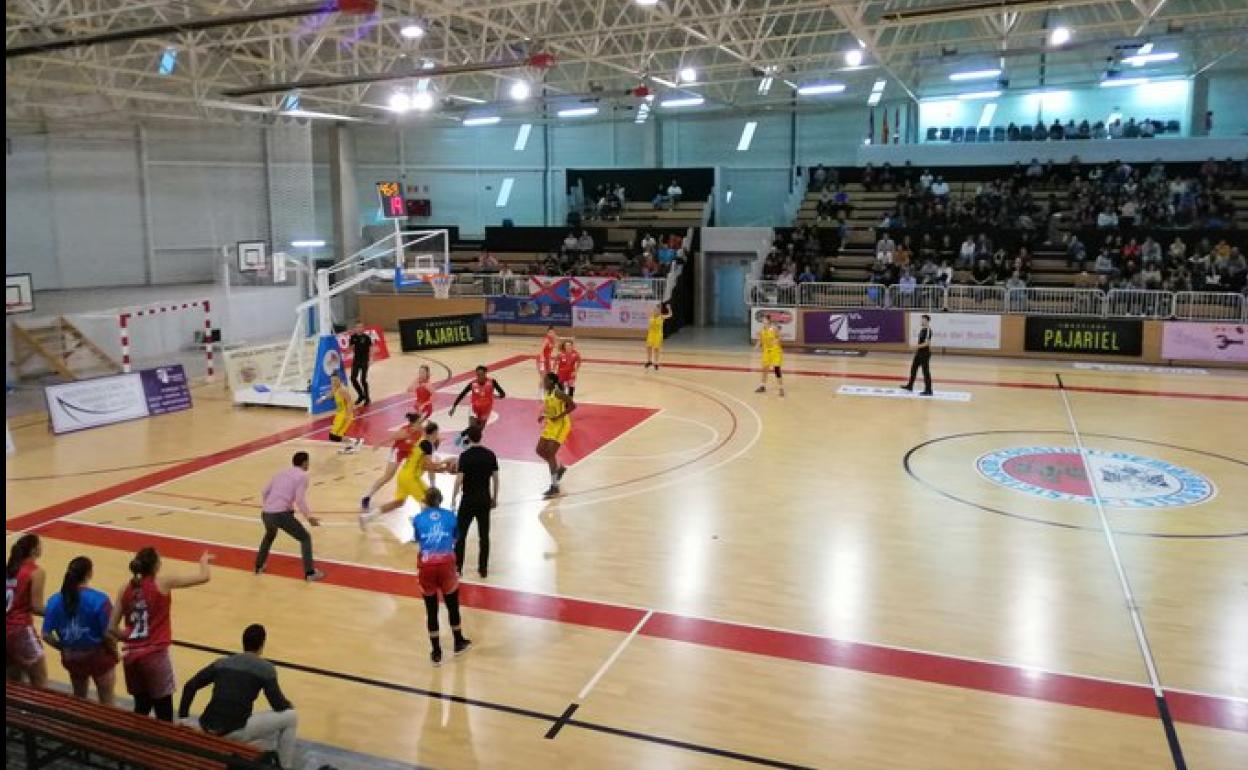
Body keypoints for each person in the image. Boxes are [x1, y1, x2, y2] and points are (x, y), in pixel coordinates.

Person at [110, 548, 213, 721]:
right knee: (164, 714)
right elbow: (204, 577)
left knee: (141, 707)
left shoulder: (124, 589)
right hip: (155, 655)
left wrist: (130, 637)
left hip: (131, 657)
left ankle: (134, 737)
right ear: (156, 565)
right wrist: (204, 562)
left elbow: (111, 628)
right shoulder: (163, 582)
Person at [179, 624, 298, 767]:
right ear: (262, 644)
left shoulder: (222, 663)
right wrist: (288, 704)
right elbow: (277, 704)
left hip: (207, 726)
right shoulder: (266, 668)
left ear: (243, 642)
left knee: (262, 738)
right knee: (291, 717)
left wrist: (183, 718)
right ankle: (285, 767)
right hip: (234, 731)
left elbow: (190, 686)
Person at [42, 556, 117, 705]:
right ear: (89, 574)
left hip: (73, 658)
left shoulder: (54, 600)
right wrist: (114, 652)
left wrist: (63, 647)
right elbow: (108, 634)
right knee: (107, 701)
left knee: (79, 698)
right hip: (98, 657)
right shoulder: (100, 600)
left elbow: (46, 635)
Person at [411, 489, 472, 666]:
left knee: (431, 611)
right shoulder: (450, 516)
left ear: (425, 501)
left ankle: (436, 652)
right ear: (441, 500)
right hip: (446, 564)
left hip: (426, 566)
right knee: (452, 606)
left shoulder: (418, 518)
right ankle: (458, 642)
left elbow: (418, 539)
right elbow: (456, 538)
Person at [361, 422, 452, 522]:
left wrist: (443, 468)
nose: (438, 435)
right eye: (437, 433)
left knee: (399, 502)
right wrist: (444, 465)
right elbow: (427, 466)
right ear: (433, 433)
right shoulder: (427, 445)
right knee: (429, 499)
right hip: (411, 477)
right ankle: (418, 523)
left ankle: (367, 517)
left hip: (403, 475)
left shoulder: (421, 441)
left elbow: (425, 466)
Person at [255, 452, 325, 581]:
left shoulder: (280, 473)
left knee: (269, 535)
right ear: (304, 463)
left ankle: (259, 566)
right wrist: (309, 517)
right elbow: (300, 500)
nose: (309, 464)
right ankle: (310, 573)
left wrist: (269, 506)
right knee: (305, 538)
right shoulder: (302, 476)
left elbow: (264, 492)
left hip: (266, 513)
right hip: (280, 514)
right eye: (308, 461)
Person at [452, 425, 499, 578]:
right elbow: (496, 478)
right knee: (484, 536)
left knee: (461, 535)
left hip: (468, 500)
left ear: (468, 438)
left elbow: (459, 479)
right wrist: (495, 497)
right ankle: (483, 569)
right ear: (481, 436)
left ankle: (458, 567)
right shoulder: (490, 455)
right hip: (484, 499)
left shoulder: (465, 456)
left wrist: (453, 497)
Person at [360, 411, 425, 519]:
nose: (421, 424)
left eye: (421, 422)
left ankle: (413, 498)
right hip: (398, 452)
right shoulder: (405, 431)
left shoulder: (421, 431)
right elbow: (391, 438)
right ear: (413, 423)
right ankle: (367, 496)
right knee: (388, 476)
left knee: (415, 473)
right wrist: (379, 443)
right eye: (419, 422)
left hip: (409, 454)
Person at [6, 534, 48, 687]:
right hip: (20, 630)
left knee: (12, 681)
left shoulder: (10, 569)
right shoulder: (36, 572)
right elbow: (37, 607)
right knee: (40, 680)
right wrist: (58, 613)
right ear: (34, 550)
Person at [536, 372, 576, 498]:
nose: (543, 382)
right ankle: (558, 467)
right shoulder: (547, 392)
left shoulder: (558, 393)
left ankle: (554, 486)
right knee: (539, 450)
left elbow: (573, 405)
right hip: (551, 423)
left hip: (561, 424)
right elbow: (550, 407)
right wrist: (544, 415)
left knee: (550, 453)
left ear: (552, 382)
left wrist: (559, 416)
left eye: (545, 380)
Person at [449, 365, 507, 445]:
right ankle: (461, 435)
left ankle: (467, 442)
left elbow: (503, 394)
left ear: (485, 374)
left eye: (481, 374)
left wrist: (496, 396)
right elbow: (462, 394)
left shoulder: (492, 382)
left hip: (486, 409)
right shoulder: (473, 384)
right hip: (474, 408)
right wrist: (454, 407)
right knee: (473, 427)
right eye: (477, 375)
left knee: (479, 430)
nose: (479, 376)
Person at [316, 373, 362, 453]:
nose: (334, 382)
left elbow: (349, 402)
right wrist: (322, 399)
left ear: (339, 380)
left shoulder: (342, 390)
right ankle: (350, 446)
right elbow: (331, 394)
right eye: (332, 381)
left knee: (333, 436)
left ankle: (355, 442)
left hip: (344, 415)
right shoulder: (335, 388)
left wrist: (347, 415)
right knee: (338, 434)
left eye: (335, 380)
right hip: (339, 415)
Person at [900, 314, 934, 396]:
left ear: (927, 321)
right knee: (913, 369)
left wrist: (916, 346)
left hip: (925, 353)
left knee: (925, 371)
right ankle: (910, 386)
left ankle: (928, 390)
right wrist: (917, 349)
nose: (921, 321)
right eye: (921, 319)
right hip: (919, 353)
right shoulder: (922, 330)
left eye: (923, 319)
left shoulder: (928, 330)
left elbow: (927, 343)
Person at [754, 314, 785, 396]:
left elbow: (780, 337)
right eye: (762, 320)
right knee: (764, 369)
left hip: (775, 351)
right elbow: (760, 340)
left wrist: (777, 340)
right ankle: (762, 386)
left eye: (764, 319)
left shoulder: (774, 328)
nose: (763, 321)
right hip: (766, 352)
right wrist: (757, 346)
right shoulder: (761, 330)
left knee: (777, 369)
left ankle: (781, 388)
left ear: (768, 321)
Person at [346, 327, 373, 406]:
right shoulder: (353, 337)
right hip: (356, 361)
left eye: (361, 327)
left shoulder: (366, 337)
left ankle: (367, 398)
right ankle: (361, 395)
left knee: (363, 380)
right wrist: (350, 347)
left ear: (363, 328)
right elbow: (350, 348)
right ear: (356, 328)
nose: (359, 328)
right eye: (358, 327)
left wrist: (371, 359)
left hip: (364, 361)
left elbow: (371, 348)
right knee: (353, 378)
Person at [643, 302, 673, 370]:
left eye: (657, 310)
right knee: (648, 347)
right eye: (655, 310)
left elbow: (670, 315)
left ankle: (656, 363)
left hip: (658, 335)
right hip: (651, 334)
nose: (656, 311)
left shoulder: (661, 317)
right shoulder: (651, 316)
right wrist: (645, 304)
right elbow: (645, 311)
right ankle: (649, 361)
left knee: (656, 349)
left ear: (659, 311)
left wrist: (669, 308)